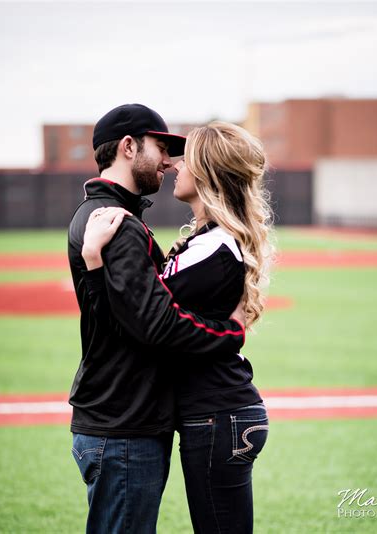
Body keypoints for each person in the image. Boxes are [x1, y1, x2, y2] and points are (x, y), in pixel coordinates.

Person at [82, 121, 273, 533]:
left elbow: (150, 321)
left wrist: (95, 264)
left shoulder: (215, 248)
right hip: (217, 414)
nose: (172, 165)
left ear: (205, 172)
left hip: (219, 414)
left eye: (185, 159)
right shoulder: (204, 240)